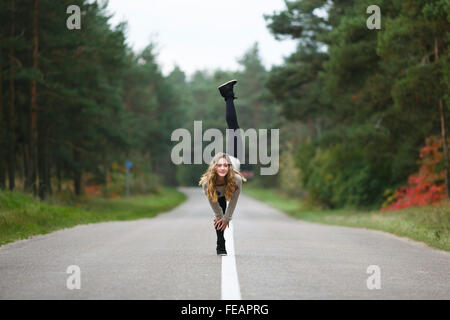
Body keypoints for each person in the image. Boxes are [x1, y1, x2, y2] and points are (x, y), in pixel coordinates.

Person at [198, 79, 246, 256]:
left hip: (233, 155)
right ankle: (220, 243)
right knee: (219, 211)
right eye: (220, 166)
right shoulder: (207, 183)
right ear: (215, 168)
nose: (224, 168)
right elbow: (216, 208)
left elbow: (233, 201)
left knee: (233, 129)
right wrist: (221, 217)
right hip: (217, 187)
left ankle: (228, 95)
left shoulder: (236, 179)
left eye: (225, 166)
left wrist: (227, 218)